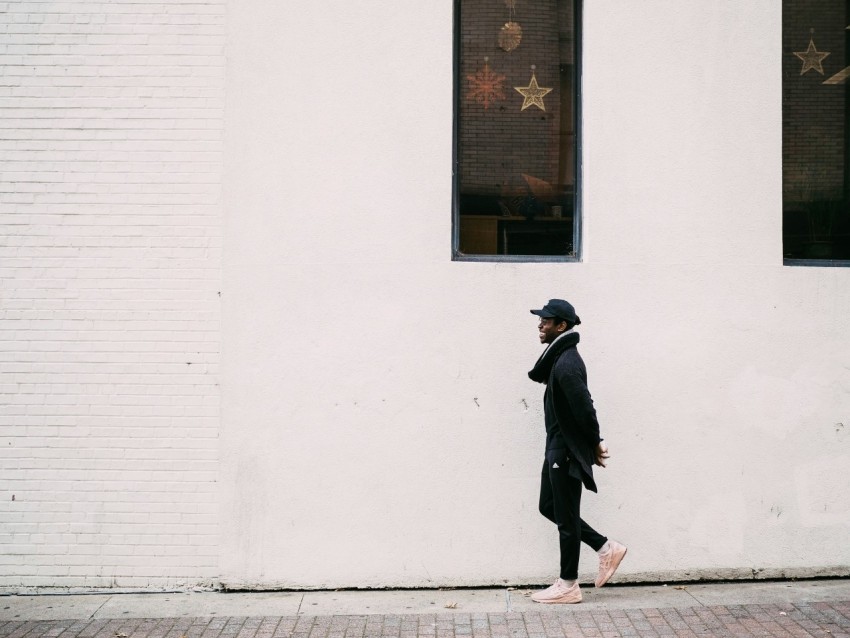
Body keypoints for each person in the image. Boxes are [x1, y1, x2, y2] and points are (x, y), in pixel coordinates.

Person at [527, 299, 627, 604]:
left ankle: (568, 584)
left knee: (567, 519)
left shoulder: (567, 362)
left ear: (562, 326)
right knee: (549, 506)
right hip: (557, 447)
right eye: (541, 319)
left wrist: (595, 442)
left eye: (546, 320)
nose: (540, 324)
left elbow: (585, 406)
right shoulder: (560, 359)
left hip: (565, 450)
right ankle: (605, 547)